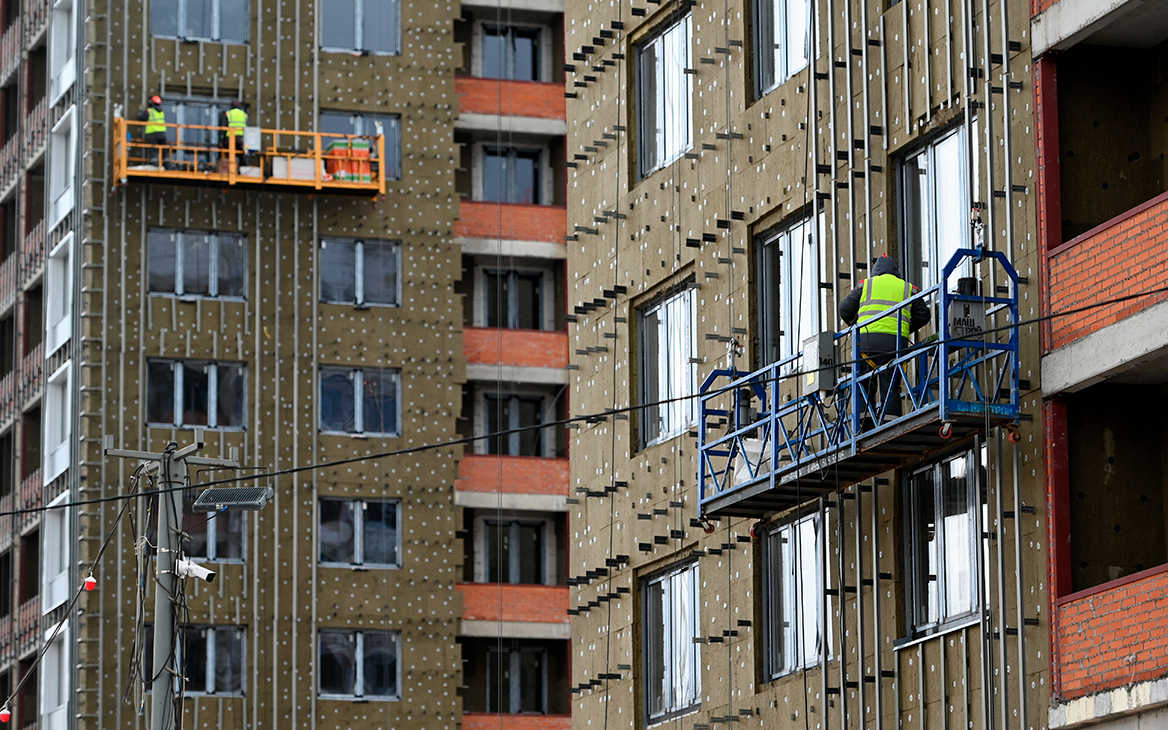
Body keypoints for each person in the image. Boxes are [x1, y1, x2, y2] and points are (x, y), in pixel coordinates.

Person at [838, 254, 930, 424]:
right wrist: (904, 328)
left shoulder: (866, 285)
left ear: (875, 272)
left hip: (866, 345)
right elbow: (924, 315)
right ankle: (890, 421)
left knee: (864, 385)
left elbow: (844, 309)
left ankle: (864, 423)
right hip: (895, 345)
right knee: (891, 387)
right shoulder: (907, 287)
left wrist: (855, 324)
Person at [137, 95, 167, 166]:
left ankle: (154, 164)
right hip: (162, 134)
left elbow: (141, 118)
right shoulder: (161, 112)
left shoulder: (150, 111)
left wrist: (140, 111)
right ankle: (167, 165)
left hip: (152, 133)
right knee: (164, 151)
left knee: (153, 150)